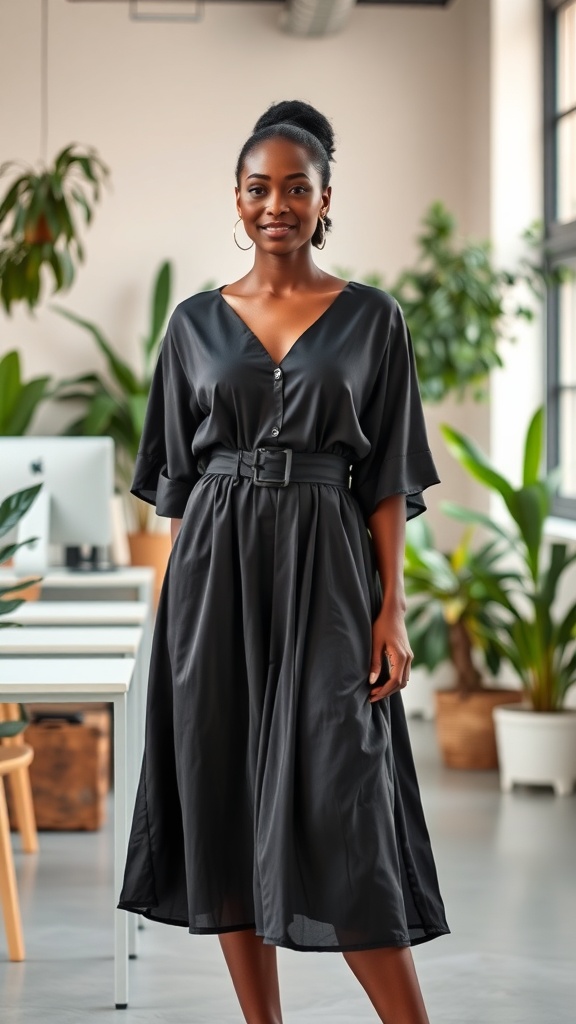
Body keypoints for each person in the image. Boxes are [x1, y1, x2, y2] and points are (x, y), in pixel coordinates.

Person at [118, 99, 449, 1024]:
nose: (277, 204)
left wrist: (392, 611)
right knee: (221, 795)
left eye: (295, 188)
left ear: (324, 198)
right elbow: (176, 485)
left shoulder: (374, 319)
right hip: (214, 577)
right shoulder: (191, 326)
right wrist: (180, 623)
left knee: (347, 800)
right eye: (259, 188)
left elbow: (385, 477)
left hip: (330, 569)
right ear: (237, 198)